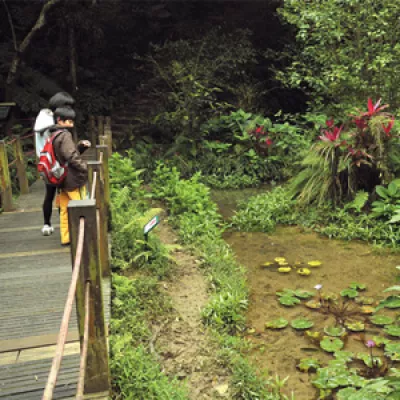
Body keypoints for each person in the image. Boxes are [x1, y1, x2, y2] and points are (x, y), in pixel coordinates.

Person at [34, 92, 75, 236]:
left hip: (50, 162)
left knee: (55, 194)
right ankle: (54, 225)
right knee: (56, 193)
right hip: (52, 163)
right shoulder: (49, 118)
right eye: (66, 105)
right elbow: (43, 131)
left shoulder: (46, 117)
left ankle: (54, 224)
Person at [50, 106, 91, 245]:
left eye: (72, 121)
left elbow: (64, 154)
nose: (71, 124)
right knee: (81, 207)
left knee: (65, 210)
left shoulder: (53, 135)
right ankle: (84, 238)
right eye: (68, 121)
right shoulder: (65, 135)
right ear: (60, 120)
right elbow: (70, 156)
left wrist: (80, 147)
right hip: (72, 179)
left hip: (60, 178)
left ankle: (66, 237)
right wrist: (84, 168)